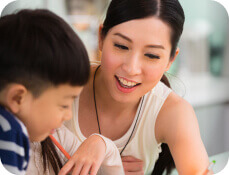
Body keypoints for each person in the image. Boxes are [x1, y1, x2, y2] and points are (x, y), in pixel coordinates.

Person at [62, 0, 212, 174]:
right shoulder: (63, 82)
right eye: (121, 46)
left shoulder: (174, 112)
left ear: (170, 60)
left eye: (151, 55)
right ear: (101, 38)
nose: (131, 69)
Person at [0, 9, 124, 175]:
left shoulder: (56, 137)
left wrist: (103, 145)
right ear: (17, 98)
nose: (68, 115)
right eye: (64, 105)